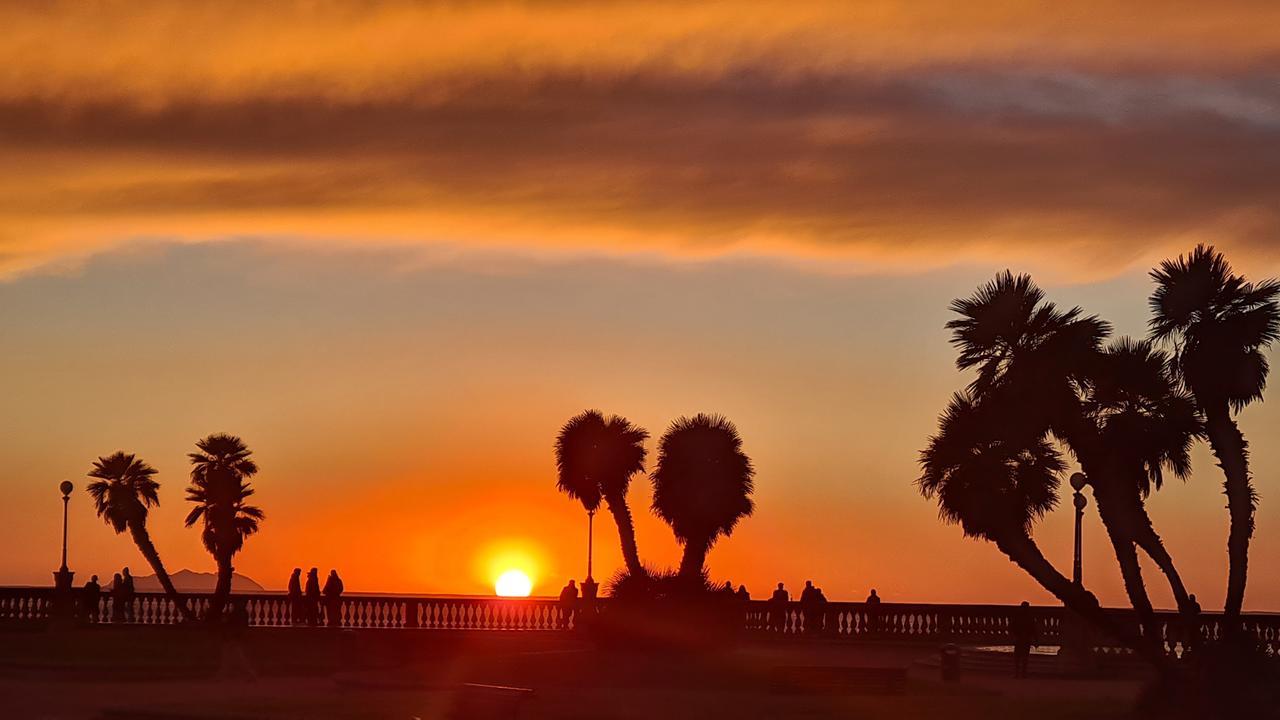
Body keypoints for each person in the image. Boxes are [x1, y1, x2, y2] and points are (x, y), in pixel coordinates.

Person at [1010, 601, 1037, 679]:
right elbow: (1034, 629)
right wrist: (1036, 640)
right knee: (1023, 658)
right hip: (1025, 639)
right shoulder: (1029, 617)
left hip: (1020, 639)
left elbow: (1012, 627)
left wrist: (1014, 636)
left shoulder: (1019, 616)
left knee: (1018, 658)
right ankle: (1022, 674)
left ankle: (1018, 674)